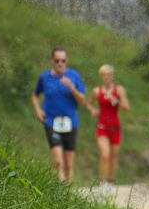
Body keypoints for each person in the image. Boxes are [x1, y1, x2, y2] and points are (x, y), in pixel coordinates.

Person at [32, 47, 88, 182]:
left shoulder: (74, 76)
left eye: (63, 61)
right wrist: (38, 109)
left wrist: (71, 87)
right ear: (52, 60)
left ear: (66, 61)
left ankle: (67, 192)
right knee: (58, 161)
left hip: (70, 122)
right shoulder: (45, 77)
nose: (60, 63)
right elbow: (35, 95)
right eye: (57, 60)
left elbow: (82, 101)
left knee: (69, 164)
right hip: (51, 120)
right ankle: (59, 186)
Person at [88, 64, 130, 192]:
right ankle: (102, 182)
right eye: (104, 75)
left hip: (116, 128)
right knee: (105, 154)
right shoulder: (96, 91)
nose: (107, 77)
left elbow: (127, 108)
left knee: (113, 157)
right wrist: (93, 110)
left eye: (109, 75)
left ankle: (111, 181)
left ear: (112, 76)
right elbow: (89, 104)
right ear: (101, 76)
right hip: (102, 128)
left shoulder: (119, 90)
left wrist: (116, 101)